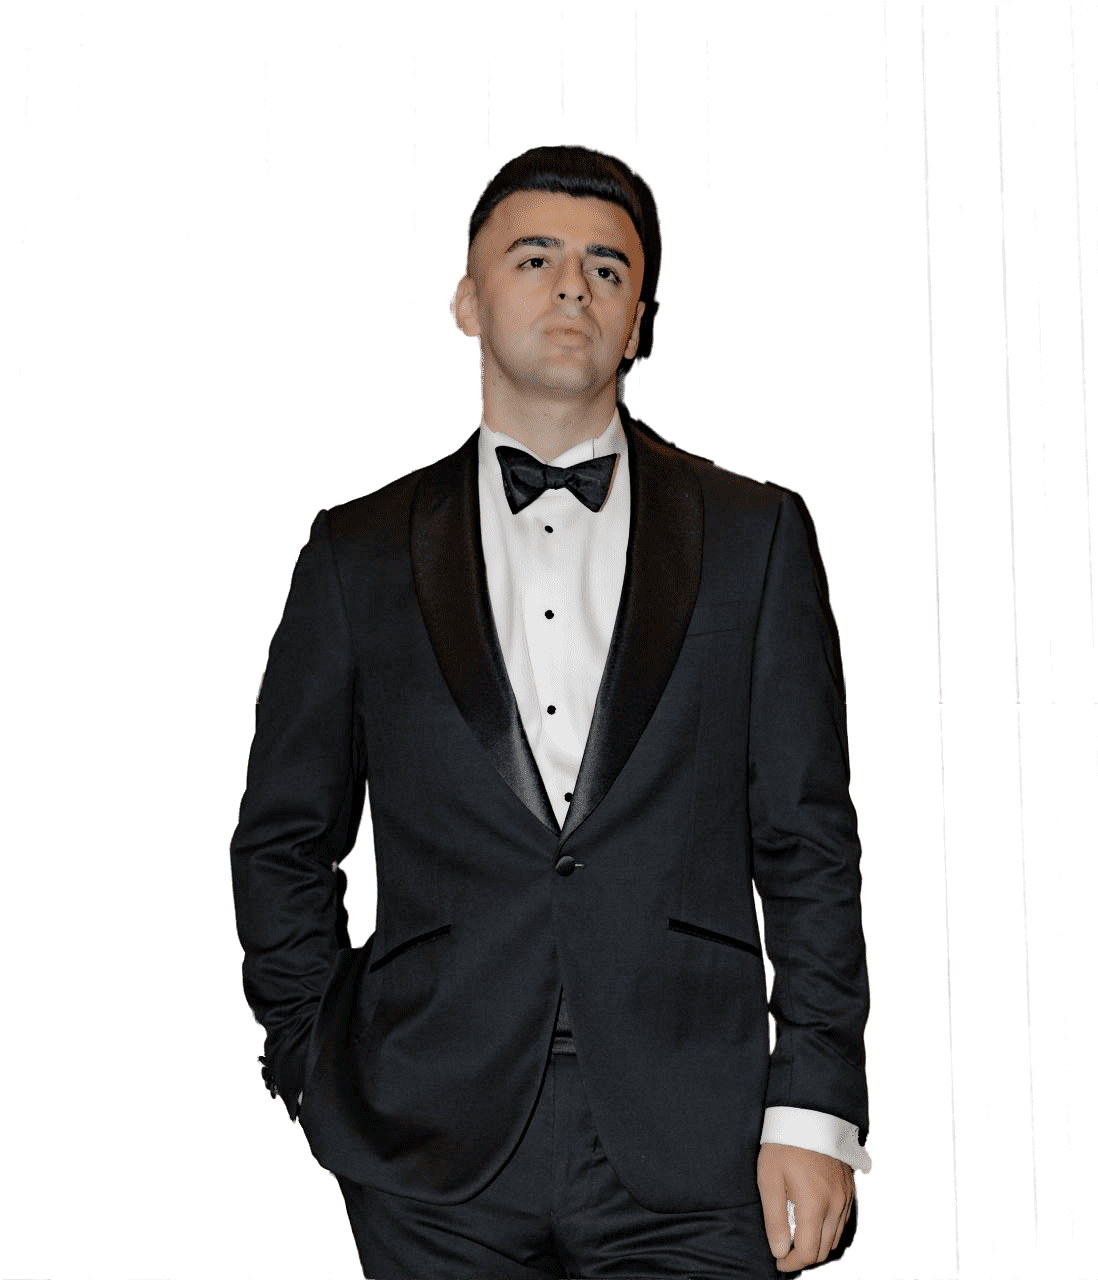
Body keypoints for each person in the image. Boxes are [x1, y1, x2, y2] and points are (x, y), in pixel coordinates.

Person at [229, 142, 871, 1278]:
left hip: (703, 1135)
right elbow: (284, 836)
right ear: (467, 303)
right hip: (428, 1142)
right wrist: (307, 1060)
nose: (574, 285)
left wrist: (814, 1108)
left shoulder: (757, 534)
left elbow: (808, 839)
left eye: (607, 269)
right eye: (534, 258)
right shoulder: (354, 551)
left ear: (638, 326)